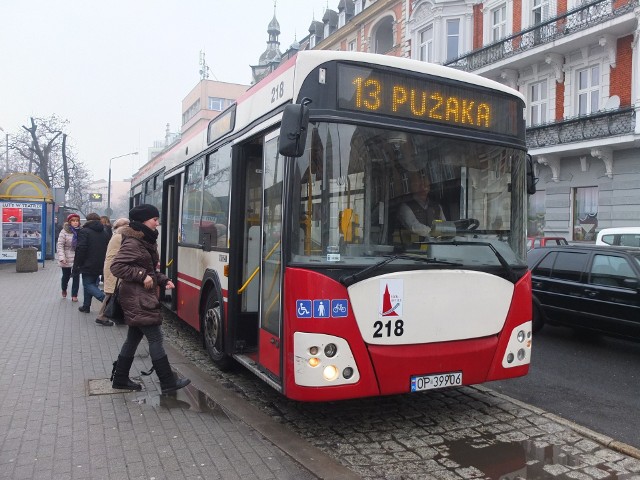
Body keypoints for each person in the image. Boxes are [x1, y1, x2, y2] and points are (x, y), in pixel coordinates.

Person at [110, 204, 190, 393]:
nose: (157, 223)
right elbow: (117, 267)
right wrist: (141, 275)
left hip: (139, 296)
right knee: (155, 337)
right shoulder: (133, 242)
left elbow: (149, 271)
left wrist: (162, 280)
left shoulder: (144, 241)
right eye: (154, 219)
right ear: (144, 221)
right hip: (138, 299)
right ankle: (168, 382)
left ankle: (120, 379)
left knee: (133, 339)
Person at [95, 217, 129, 327]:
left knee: (114, 293)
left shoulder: (117, 235)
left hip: (112, 267)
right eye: (127, 225)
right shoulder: (120, 237)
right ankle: (102, 316)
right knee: (111, 294)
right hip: (114, 269)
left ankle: (116, 316)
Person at [73, 213, 110, 313]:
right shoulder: (104, 232)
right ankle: (86, 306)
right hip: (101, 262)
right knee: (91, 283)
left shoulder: (84, 231)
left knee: (88, 284)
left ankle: (105, 300)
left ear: (88, 220)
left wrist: (77, 264)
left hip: (87, 262)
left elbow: (81, 249)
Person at [397, 170, 446, 239]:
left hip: (438, 247)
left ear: (429, 187)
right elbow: (415, 227)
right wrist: (435, 233)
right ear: (412, 187)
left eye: (425, 185)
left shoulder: (437, 207)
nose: (423, 188)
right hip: (414, 248)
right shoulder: (405, 207)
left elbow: (444, 227)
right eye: (418, 185)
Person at [57, 213, 82, 302]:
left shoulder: (81, 231)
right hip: (66, 257)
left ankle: (74, 295)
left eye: (77, 221)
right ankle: (64, 288)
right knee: (66, 276)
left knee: (76, 276)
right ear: (69, 222)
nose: (75, 223)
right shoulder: (64, 231)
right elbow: (60, 245)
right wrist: (62, 257)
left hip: (77, 257)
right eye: (73, 221)